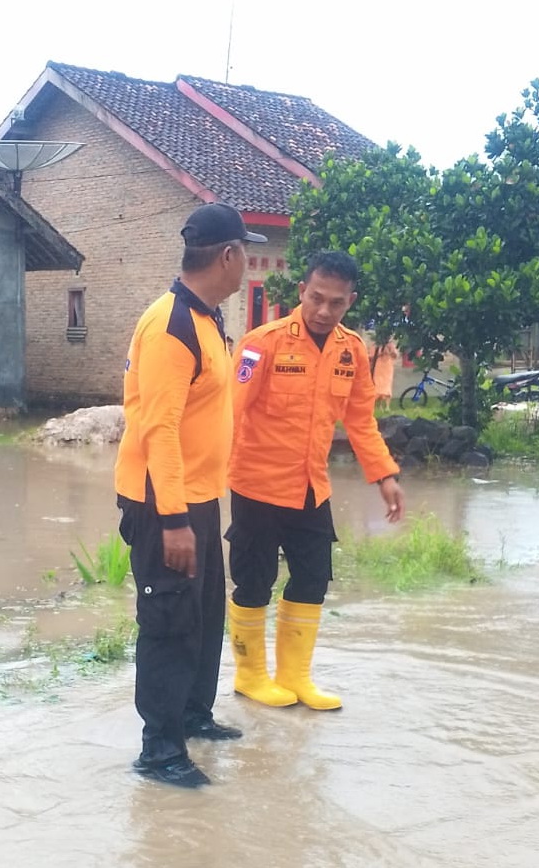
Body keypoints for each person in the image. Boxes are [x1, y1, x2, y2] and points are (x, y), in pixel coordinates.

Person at [114, 202, 267, 788]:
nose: (246, 265)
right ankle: (160, 752)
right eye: (244, 254)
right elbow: (161, 430)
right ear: (228, 256)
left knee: (200, 618)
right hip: (163, 504)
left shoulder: (207, 319)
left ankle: (193, 717)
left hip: (198, 499)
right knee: (169, 622)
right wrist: (174, 520)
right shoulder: (172, 325)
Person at [226, 250, 405, 711]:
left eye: (337, 303)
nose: (325, 311)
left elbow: (361, 421)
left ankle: (296, 677)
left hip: (310, 487)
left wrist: (384, 475)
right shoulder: (261, 343)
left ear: (351, 301)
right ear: (301, 291)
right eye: (317, 298)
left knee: (313, 578)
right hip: (256, 485)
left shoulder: (351, 351)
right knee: (253, 580)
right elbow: (229, 412)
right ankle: (250, 676)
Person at [369, 336, 399, 409]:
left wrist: (390, 350)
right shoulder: (375, 345)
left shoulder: (391, 345)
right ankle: (379, 404)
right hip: (378, 367)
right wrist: (380, 353)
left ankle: (387, 406)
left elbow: (395, 355)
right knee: (378, 385)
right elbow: (370, 357)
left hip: (387, 367)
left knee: (387, 385)